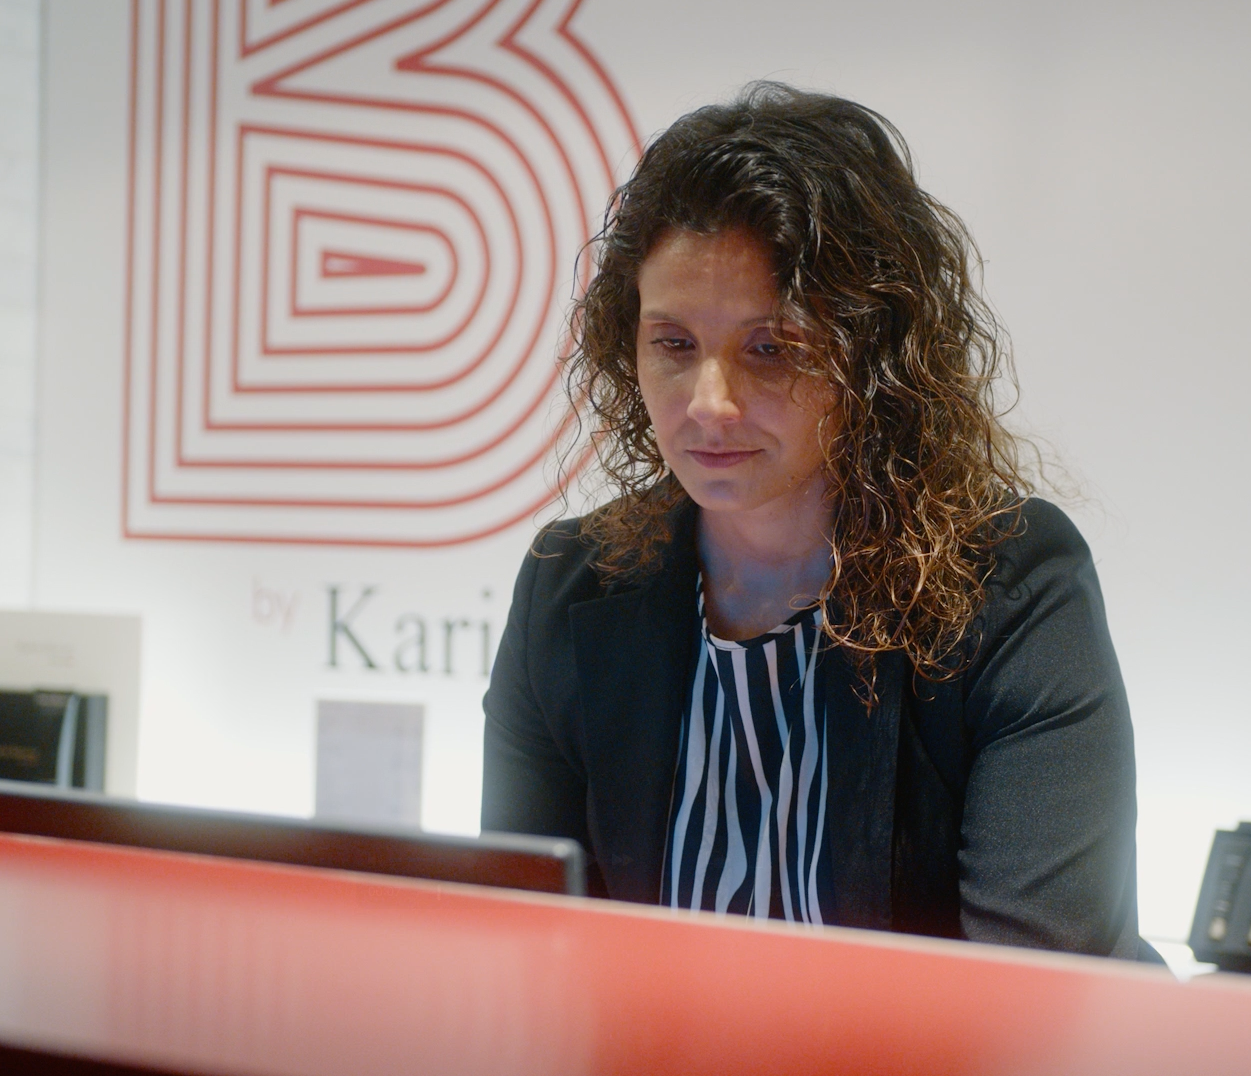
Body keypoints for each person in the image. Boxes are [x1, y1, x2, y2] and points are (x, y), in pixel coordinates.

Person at [482, 83, 1154, 960]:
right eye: (673, 344)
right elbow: (527, 940)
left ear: (872, 356)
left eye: (771, 347)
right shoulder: (571, 580)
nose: (708, 403)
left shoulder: (1009, 583)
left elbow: (1030, 980)